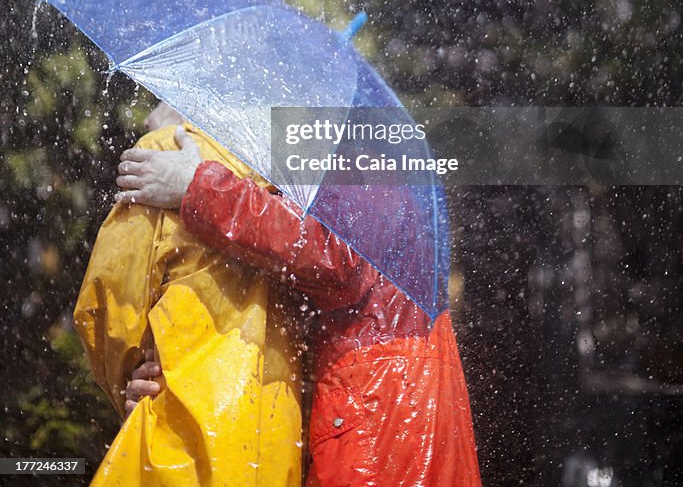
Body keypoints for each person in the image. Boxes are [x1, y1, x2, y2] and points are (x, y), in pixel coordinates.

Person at [117, 126, 483, 487]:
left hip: (382, 417)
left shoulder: (359, 159)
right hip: (386, 411)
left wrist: (197, 186)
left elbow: (332, 254)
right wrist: (166, 384)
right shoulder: (335, 160)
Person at [75, 103, 303, 487]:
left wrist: (126, 376)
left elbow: (109, 303)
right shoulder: (296, 174)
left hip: (179, 432)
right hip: (276, 435)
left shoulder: (163, 152)